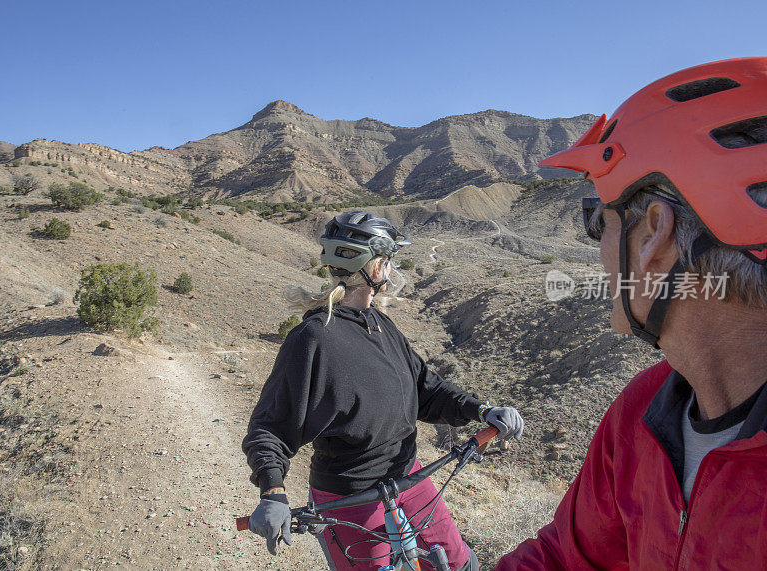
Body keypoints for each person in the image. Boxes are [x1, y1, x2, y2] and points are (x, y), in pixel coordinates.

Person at [495, 57, 767, 569]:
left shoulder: (646, 412)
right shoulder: (644, 409)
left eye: (600, 223)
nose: (598, 250)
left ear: (654, 234)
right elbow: (566, 557)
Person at [242, 211, 524, 570]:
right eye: (387, 260)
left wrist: (481, 411)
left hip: (410, 475)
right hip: (349, 497)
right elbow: (270, 427)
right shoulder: (312, 339)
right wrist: (272, 493)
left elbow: (426, 389)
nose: (391, 269)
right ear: (372, 268)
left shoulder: (381, 324)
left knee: (459, 562)